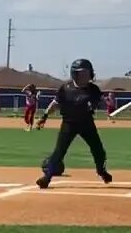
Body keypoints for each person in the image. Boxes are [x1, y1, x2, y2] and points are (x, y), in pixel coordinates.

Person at [35, 59, 113, 188]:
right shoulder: (65, 88)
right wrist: (44, 116)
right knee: (58, 152)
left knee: (98, 150)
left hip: (87, 123)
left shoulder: (93, 89)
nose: (86, 76)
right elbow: (55, 104)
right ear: (75, 74)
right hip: (69, 124)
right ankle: (47, 177)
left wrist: (108, 103)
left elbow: (101, 102)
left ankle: (102, 171)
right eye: (83, 73)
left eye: (87, 73)